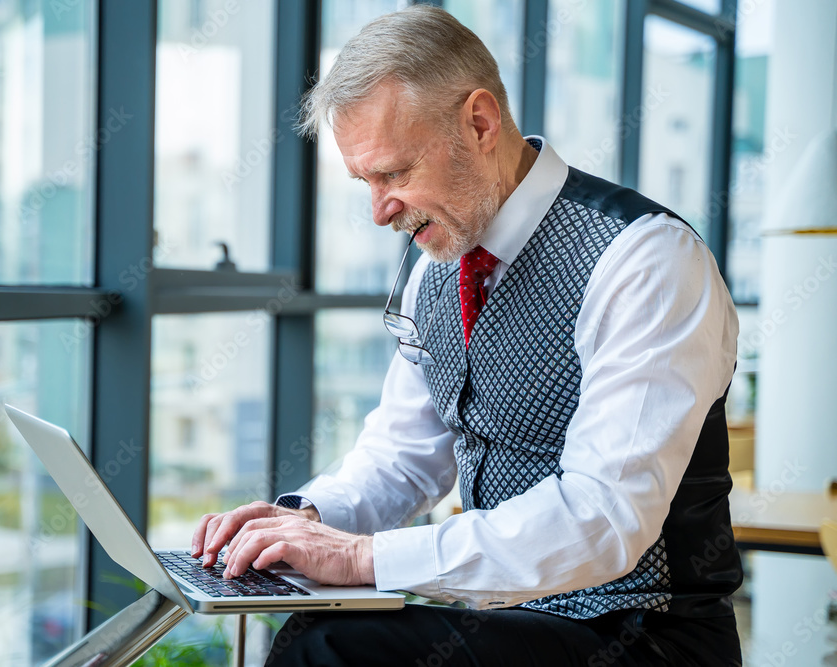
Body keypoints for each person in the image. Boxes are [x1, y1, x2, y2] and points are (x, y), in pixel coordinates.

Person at [191, 5, 743, 665]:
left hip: (646, 639)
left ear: (479, 123)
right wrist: (302, 521)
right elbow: (402, 458)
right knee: (322, 630)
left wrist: (365, 556)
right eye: (364, 182)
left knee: (333, 646)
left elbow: (605, 519)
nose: (377, 212)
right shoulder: (437, 272)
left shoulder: (646, 259)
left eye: (394, 173)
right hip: (517, 623)